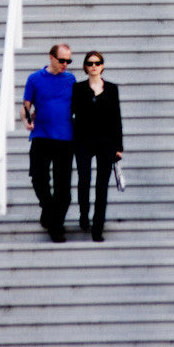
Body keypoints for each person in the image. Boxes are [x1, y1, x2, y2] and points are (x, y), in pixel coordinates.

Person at [21, 43, 75, 243]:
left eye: (68, 61)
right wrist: (25, 120)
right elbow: (25, 107)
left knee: (63, 188)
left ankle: (56, 226)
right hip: (41, 136)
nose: (65, 64)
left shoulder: (71, 79)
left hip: (65, 138)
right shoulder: (34, 79)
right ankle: (47, 208)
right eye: (62, 60)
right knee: (38, 177)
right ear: (51, 57)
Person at [72, 51, 123, 243]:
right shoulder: (78, 88)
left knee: (102, 186)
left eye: (97, 62)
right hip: (83, 141)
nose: (94, 66)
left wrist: (119, 147)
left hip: (106, 143)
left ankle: (97, 227)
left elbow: (117, 118)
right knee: (84, 179)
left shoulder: (111, 89)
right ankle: (84, 214)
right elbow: (71, 113)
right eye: (90, 63)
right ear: (85, 66)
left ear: (102, 66)